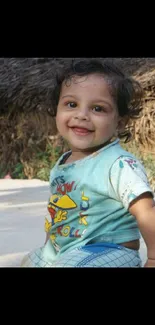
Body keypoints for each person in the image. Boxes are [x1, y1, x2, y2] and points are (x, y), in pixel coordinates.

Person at [21, 58, 155, 267]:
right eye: (71, 104)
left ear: (120, 121)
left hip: (110, 251)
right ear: (56, 110)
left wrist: (153, 257)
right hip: (65, 250)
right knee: (29, 262)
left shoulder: (118, 164)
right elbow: (59, 214)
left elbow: (146, 212)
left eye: (98, 109)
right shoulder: (62, 164)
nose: (81, 115)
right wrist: (48, 252)